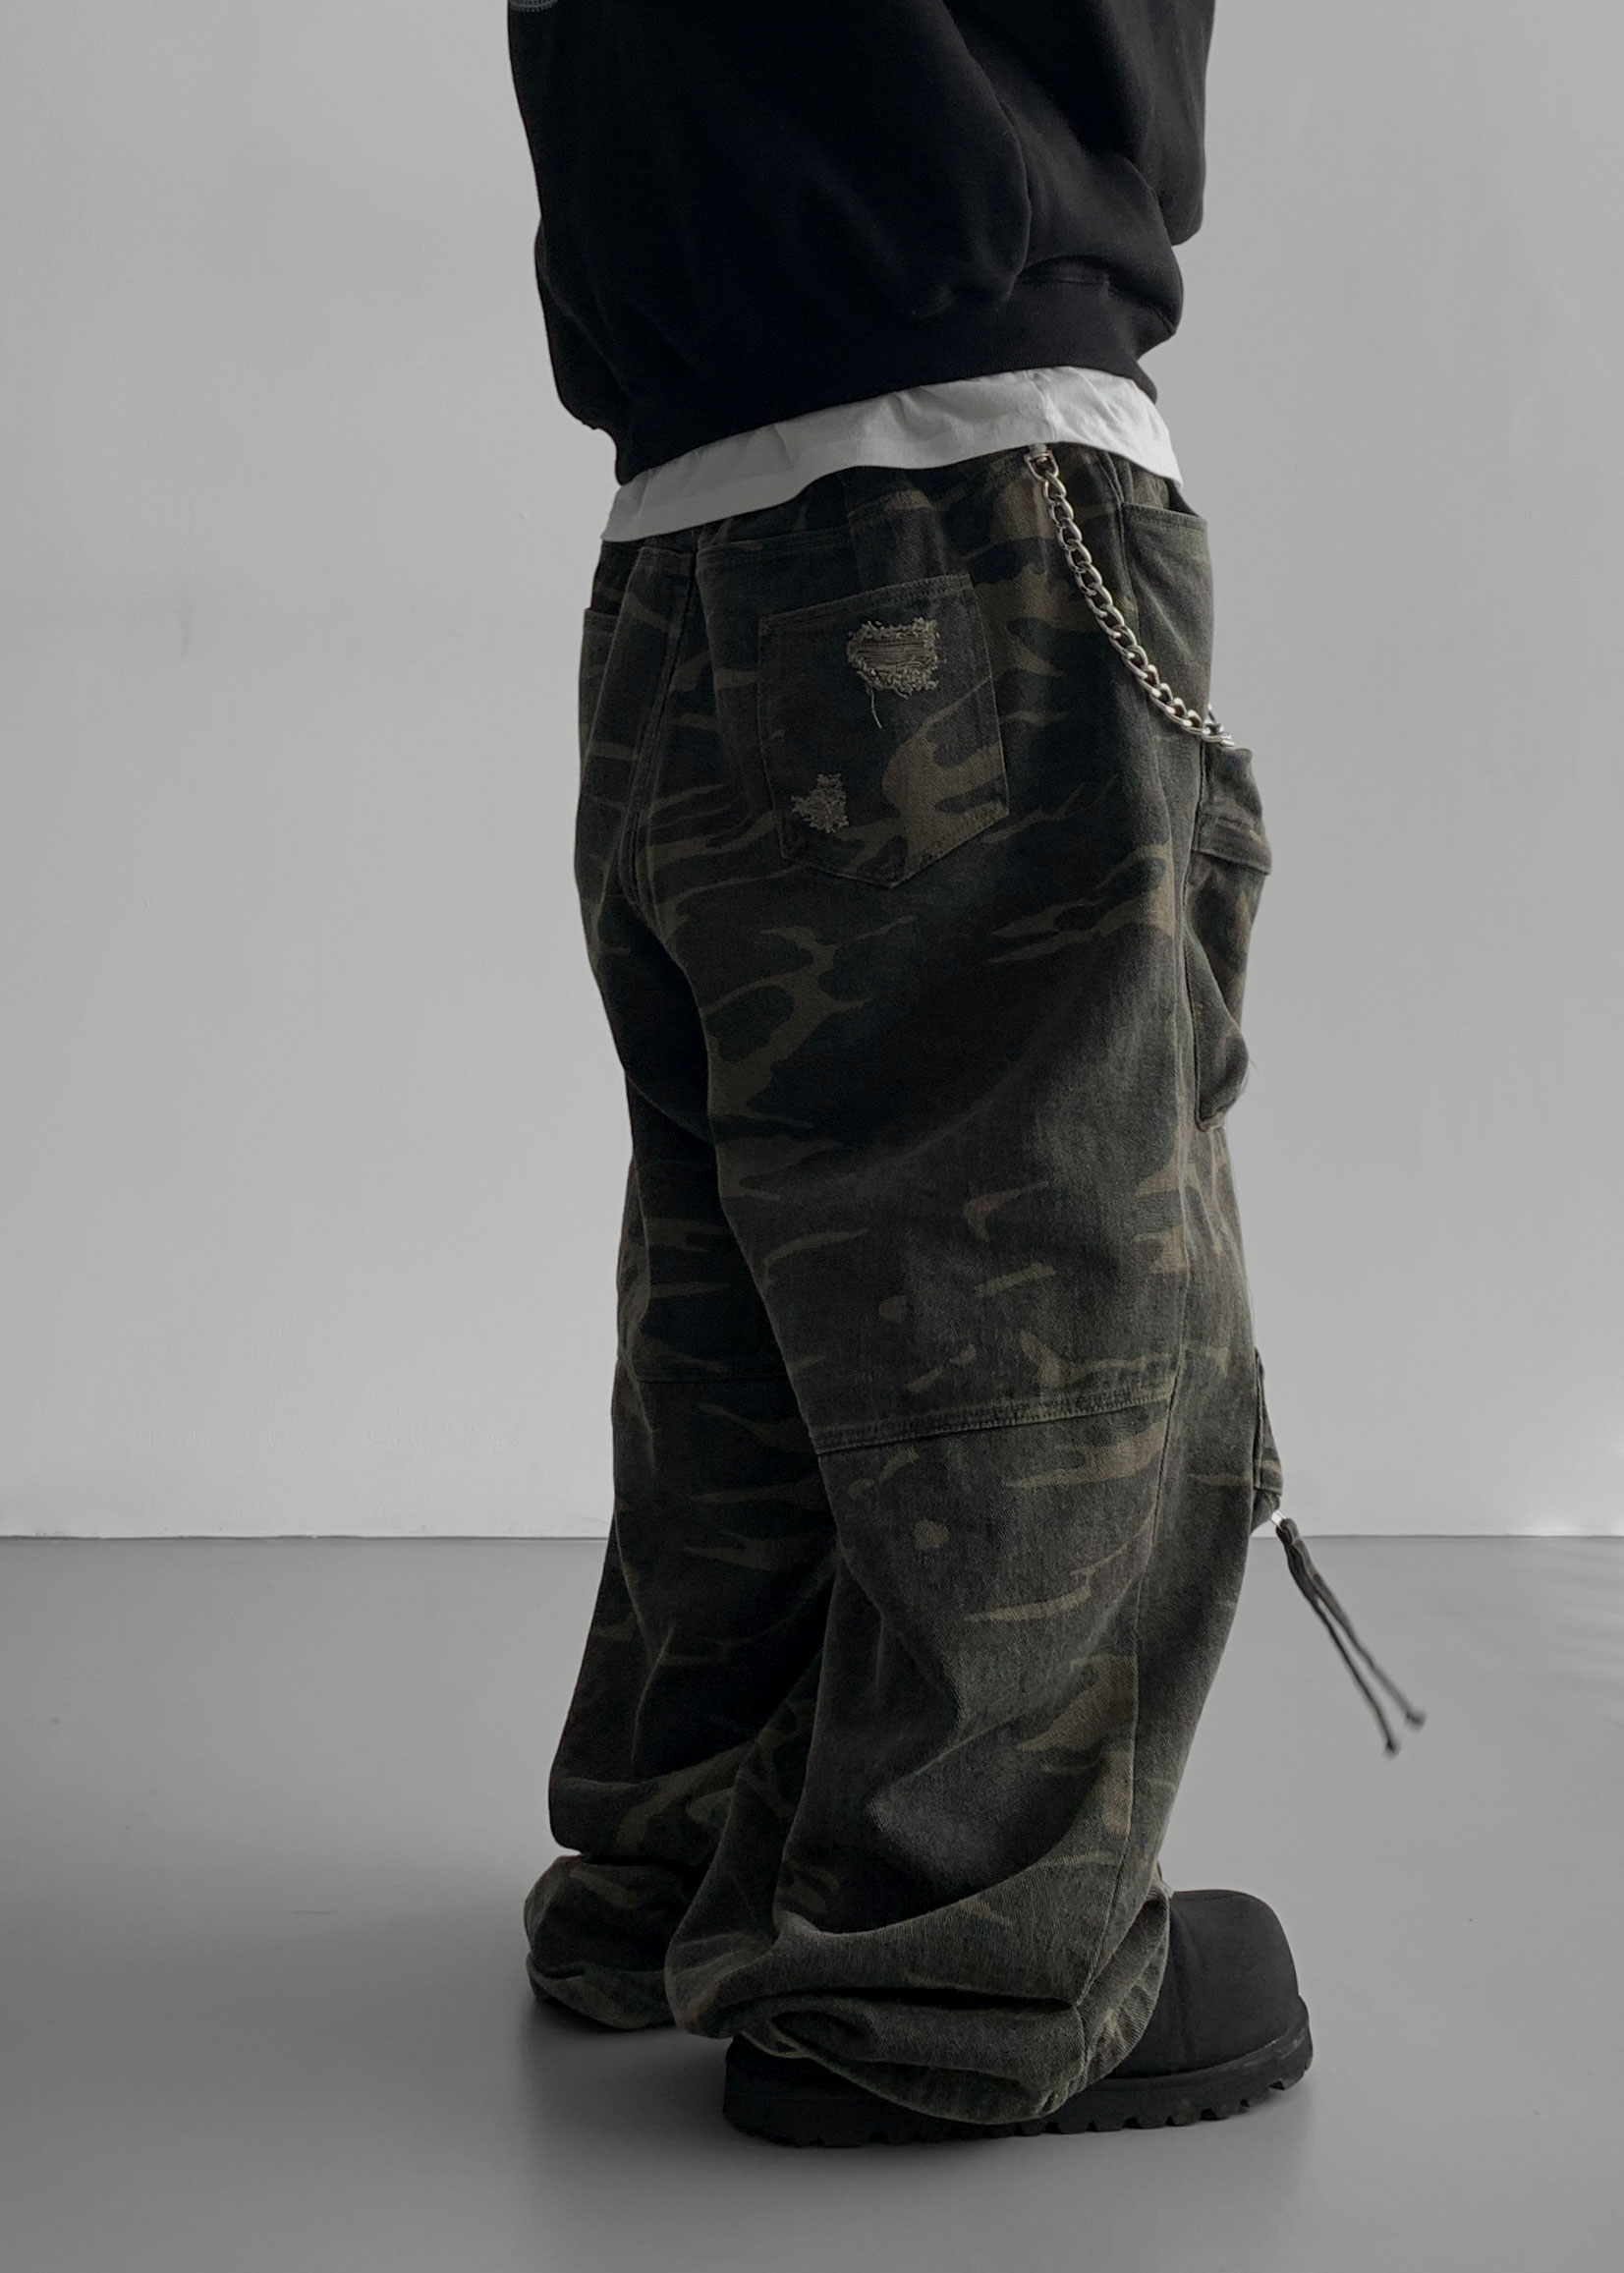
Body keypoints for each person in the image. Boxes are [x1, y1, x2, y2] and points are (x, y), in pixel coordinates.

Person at [505, 0, 1422, 2148]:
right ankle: (943, 1962)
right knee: (1032, 1243)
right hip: (976, 471)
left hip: (688, 513)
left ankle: (688, 1858)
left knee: (745, 1262)